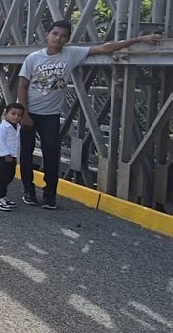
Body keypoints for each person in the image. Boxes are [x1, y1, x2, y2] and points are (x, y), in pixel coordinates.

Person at [17, 20, 162, 209]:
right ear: (48, 34)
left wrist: (139, 39)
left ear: (67, 39)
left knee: (51, 153)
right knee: (26, 153)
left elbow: (105, 48)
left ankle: (49, 195)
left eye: (63, 36)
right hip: (30, 112)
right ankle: (28, 191)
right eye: (55, 34)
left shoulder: (71, 54)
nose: (58, 38)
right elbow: (22, 85)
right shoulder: (33, 58)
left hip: (50, 115)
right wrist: (24, 114)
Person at [0, 103, 24, 211]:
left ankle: (3, 197)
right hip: (3, 158)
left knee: (9, 177)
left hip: (12, 157)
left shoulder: (18, 127)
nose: (16, 117)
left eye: (19, 115)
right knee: (3, 178)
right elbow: (0, 142)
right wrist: (6, 154)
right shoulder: (2, 128)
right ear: (6, 114)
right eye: (13, 114)